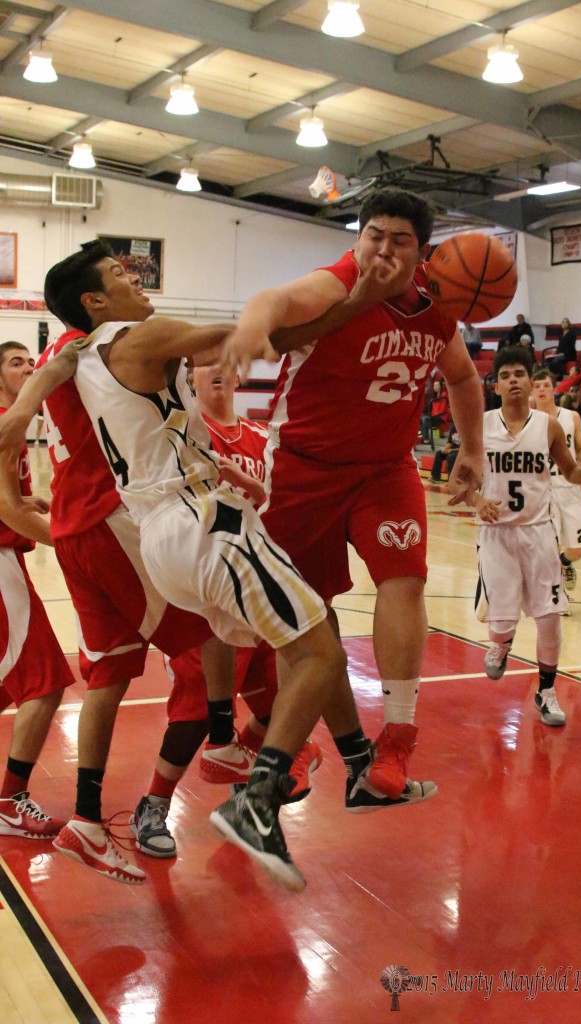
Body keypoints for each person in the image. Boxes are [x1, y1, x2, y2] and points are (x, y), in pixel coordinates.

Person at [2, 241, 431, 891]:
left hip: (159, 536)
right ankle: (253, 794)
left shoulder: (79, 351)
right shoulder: (144, 335)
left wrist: (22, 409)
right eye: (120, 274)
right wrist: (348, 299)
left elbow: (50, 372)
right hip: (199, 524)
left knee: (305, 634)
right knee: (314, 648)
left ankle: (350, 765)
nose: (136, 278)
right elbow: (263, 335)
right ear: (94, 301)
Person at [226, 187, 485, 799]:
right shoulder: (336, 284)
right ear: (358, 237)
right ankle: (291, 741)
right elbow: (279, 298)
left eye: (399, 240)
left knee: (404, 580)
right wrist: (251, 327)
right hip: (301, 467)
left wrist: (472, 451)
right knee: (306, 616)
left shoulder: (437, 306)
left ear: (423, 254)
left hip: (384, 470)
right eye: (374, 234)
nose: (383, 249)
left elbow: (464, 376)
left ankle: (397, 739)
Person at [134, 362, 323, 858]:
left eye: (226, 366)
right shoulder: (189, 433)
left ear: (240, 378)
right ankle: (153, 803)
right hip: (210, 586)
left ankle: (246, 781)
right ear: (189, 381)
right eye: (203, 367)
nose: (217, 371)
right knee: (196, 710)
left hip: (259, 583)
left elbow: (282, 501)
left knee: (279, 701)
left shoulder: (263, 435)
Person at [467, 346, 581, 726]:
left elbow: (571, 472)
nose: (513, 380)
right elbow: (459, 482)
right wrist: (477, 501)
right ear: (496, 386)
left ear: (531, 383)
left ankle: (545, 692)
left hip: (539, 533)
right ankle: (501, 644)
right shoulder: (480, 424)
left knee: (549, 617)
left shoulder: (550, 427)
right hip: (495, 535)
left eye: (519, 374)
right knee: (501, 623)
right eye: (506, 375)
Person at [0, 342, 74, 839]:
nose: (28, 368)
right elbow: (4, 511)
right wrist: (76, 543)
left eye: (31, 361)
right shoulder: (6, 424)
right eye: (15, 362)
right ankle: (8, 800)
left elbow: (10, 498)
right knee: (44, 682)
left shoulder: (15, 421)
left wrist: (31, 497)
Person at [531, 369, 581, 596]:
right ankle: (557, 596)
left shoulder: (571, 417)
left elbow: (580, 447)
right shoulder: (528, 418)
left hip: (570, 487)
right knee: (549, 546)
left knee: (577, 550)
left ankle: (565, 563)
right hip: (543, 489)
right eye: (537, 386)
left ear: (554, 388)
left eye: (546, 385)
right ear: (532, 390)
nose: (542, 390)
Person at [420, 376, 450, 445]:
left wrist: (432, 416)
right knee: (420, 418)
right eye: (434, 385)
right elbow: (433, 409)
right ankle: (424, 438)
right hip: (434, 416)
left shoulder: (444, 395)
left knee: (425, 419)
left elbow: (442, 410)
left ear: (441, 386)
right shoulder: (434, 396)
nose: (435, 387)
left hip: (440, 417)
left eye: (437, 385)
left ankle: (426, 439)